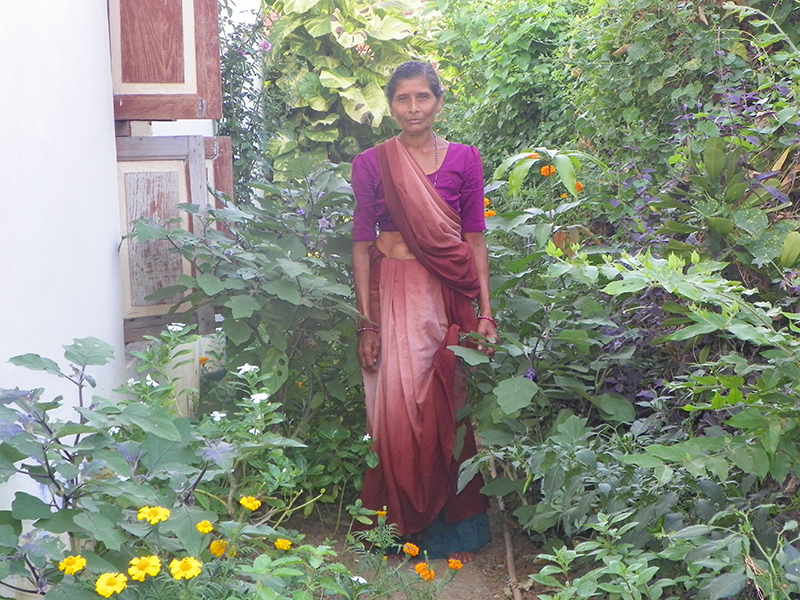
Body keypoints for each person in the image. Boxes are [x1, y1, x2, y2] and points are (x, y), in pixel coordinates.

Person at [350, 61, 497, 562]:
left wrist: (486, 313)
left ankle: (450, 527)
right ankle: (397, 523)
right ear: (391, 105)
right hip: (392, 293)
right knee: (396, 409)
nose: (413, 108)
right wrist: (366, 321)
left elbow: (474, 239)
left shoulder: (465, 159)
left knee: (446, 401)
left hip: (446, 296)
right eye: (403, 98)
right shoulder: (372, 163)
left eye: (423, 97)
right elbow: (361, 243)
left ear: (438, 101)